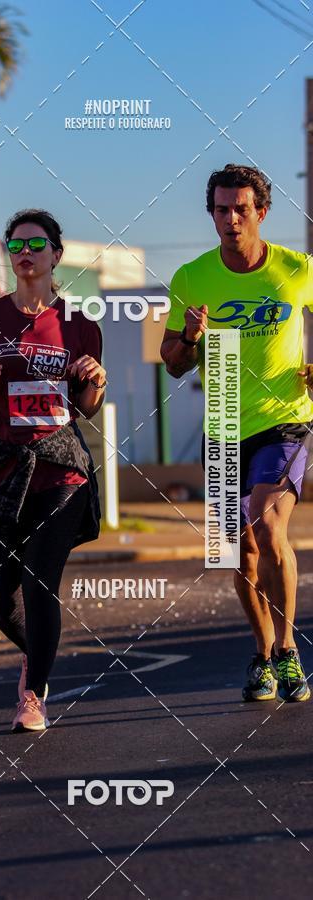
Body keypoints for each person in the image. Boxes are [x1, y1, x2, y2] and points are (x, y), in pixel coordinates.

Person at [0, 209, 106, 731]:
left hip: (60, 470)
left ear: (57, 254)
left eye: (35, 244)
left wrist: (96, 380)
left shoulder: (79, 327)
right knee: (4, 606)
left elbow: (87, 405)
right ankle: (39, 654)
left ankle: (33, 696)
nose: (24, 254)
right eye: (15, 245)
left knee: (40, 585)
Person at [161, 164, 313, 703]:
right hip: (223, 414)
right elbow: (174, 363)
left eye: (241, 209)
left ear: (261, 213)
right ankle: (263, 653)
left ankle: (290, 651)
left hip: (284, 417)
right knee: (237, 551)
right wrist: (190, 337)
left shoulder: (298, 271)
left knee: (269, 530)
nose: (230, 220)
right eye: (221, 210)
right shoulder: (191, 278)